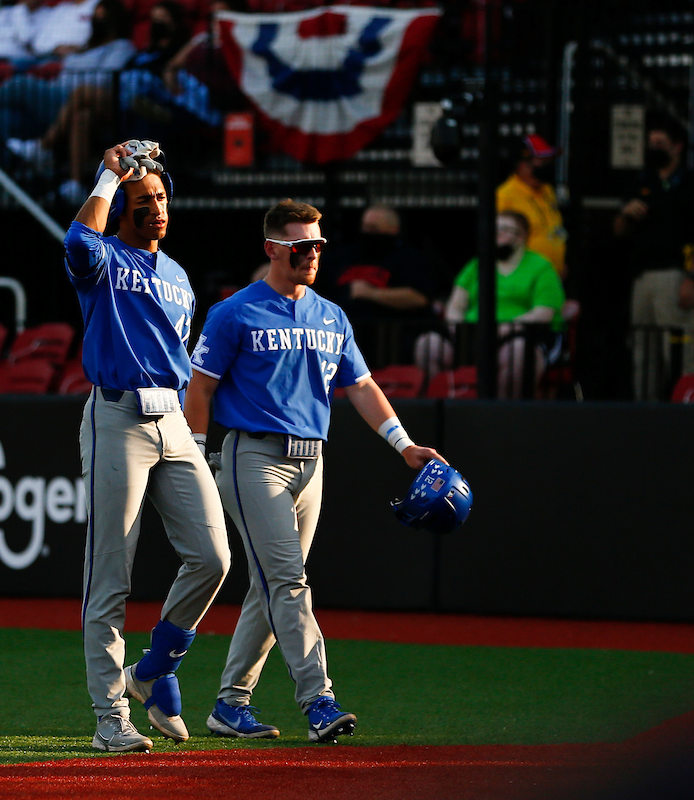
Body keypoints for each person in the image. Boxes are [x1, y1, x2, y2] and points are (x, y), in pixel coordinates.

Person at [183, 199, 446, 742]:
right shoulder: (235, 311)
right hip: (253, 457)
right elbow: (200, 385)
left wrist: (404, 445)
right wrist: (198, 453)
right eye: (302, 246)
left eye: (319, 245)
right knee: (288, 582)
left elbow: (363, 386)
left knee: (271, 586)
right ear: (273, 250)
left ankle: (230, 705)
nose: (312, 255)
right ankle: (319, 700)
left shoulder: (332, 313)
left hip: (311, 461)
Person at [65, 140, 230, 753]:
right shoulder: (104, 256)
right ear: (124, 210)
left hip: (173, 424)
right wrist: (109, 179)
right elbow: (76, 245)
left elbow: (183, 360)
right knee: (111, 576)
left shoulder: (179, 275)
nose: (157, 208)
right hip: (119, 417)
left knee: (214, 557)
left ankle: (151, 671)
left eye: (161, 197)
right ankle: (110, 716)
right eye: (145, 201)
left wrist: (195, 431)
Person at [6, 0, 192, 204]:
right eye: (154, 18)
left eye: (163, 18)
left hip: (135, 106)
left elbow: (110, 77)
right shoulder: (144, 52)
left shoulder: (170, 53)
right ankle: (75, 185)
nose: (157, 22)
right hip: (111, 102)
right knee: (81, 116)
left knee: (81, 92)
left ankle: (43, 146)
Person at [614, 114, 694, 401]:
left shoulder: (692, 182)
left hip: (674, 276)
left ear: (677, 146)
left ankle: (688, 412)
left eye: (660, 143)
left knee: (679, 353)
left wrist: (692, 278)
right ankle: (645, 414)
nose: (654, 148)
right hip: (642, 278)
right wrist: (625, 212)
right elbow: (618, 231)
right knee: (643, 354)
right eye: (651, 143)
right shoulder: (642, 181)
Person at [414, 211, 565, 398]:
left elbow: (544, 312)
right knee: (428, 344)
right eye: (494, 229)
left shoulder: (541, 266)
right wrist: (458, 327)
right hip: (473, 335)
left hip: (520, 336)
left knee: (516, 353)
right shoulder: (476, 265)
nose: (497, 233)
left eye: (505, 229)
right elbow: (456, 304)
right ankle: (446, 405)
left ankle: (500, 413)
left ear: (522, 235)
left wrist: (507, 327)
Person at [0, 0, 134, 162]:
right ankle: (2, 177)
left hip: (76, 98)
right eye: (96, 13)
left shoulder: (121, 46)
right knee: (4, 117)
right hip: (56, 95)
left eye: (103, 14)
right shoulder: (85, 48)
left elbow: (106, 78)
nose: (97, 18)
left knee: (21, 83)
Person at [312, 204, 434, 364]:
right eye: (365, 227)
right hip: (338, 343)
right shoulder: (344, 255)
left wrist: (371, 293)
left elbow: (419, 298)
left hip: (389, 347)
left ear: (393, 230)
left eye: (374, 229)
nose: (367, 233)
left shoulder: (409, 259)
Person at [496, 134, 568, 279]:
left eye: (549, 161)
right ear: (522, 165)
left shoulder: (547, 191)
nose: (547, 167)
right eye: (542, 162)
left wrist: (559, 263)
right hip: (524, 278)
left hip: (552, 275)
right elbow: (501, 243)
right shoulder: (505, 195)